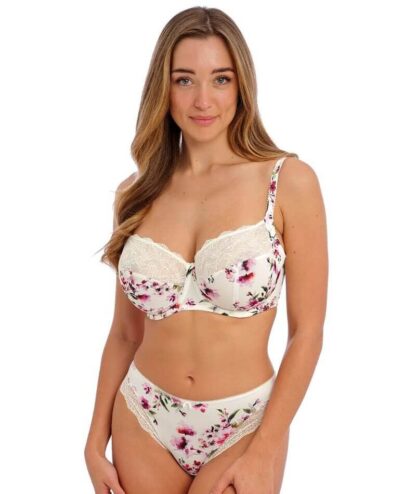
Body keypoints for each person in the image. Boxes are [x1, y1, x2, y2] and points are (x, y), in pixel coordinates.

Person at [84, 6, 328, 494]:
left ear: (241, 86)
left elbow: (307, 332)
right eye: (184, 80)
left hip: (245, 425)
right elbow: (125, 334)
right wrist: (93, 443)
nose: (202, 100)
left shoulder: (288, 182)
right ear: (164, 88)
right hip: (143, 415)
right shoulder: (135, 194)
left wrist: (265, 450)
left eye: (220, 79)